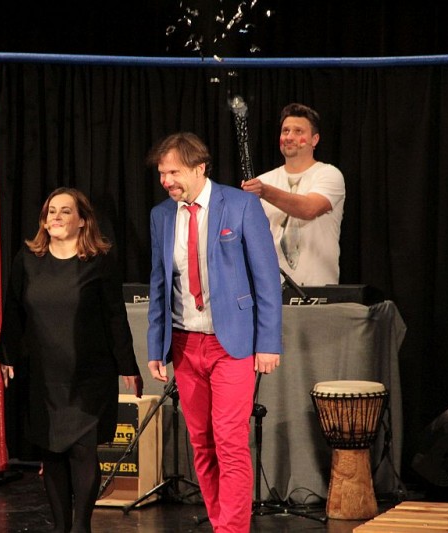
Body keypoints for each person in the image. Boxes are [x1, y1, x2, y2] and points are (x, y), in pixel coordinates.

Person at [145, 133, 283, 533]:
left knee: (229, 441)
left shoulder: (240, 205)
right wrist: (156, 346)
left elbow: (266, 280)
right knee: (202, 442)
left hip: (232, 344)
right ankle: (223, 523)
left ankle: (231, 529)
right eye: (162, 173)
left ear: (199, 168)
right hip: (185, 344)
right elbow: (159, 284)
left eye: (174, 172)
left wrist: (268, 342)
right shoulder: (161, 216)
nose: (166, 181)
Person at [0, 187, 143, 533]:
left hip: (90, 374)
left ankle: (81, 526)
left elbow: (115, 316)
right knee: (52, 451)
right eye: (51, 211)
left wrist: (127, 365)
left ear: (82, 221)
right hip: (44, 375)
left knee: (83, 450)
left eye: (65, 211)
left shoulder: (99, 260)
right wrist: (6, 354)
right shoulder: (27, 259)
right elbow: (13, 309)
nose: (56, 217)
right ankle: (62, 527)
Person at [242, 103, 345, 286]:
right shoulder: (263, 180)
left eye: (298, 131)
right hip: (272, 290)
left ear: (315, 139)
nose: (289, 137)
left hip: (319, 289)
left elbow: (309, 209)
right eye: (285, 131)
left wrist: (264, 191)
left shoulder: (329, 174)